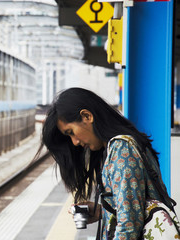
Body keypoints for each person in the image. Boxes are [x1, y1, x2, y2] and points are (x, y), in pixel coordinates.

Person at [36, 87, 170, 240]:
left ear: (87, 116)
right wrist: (103, 211)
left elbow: (128, 227)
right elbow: (133, 209)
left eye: (71, 132)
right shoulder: (117, 148)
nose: (74, 142)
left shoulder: (122, 150)